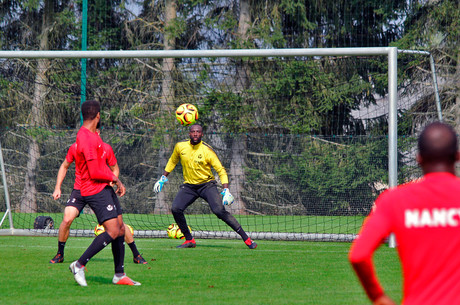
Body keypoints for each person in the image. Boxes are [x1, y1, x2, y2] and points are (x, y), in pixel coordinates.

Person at [349, 122, 460, 305]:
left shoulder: (394, 200)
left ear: (419, 158)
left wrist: (378, 297)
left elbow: (358, 255)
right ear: (457, 157)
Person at [69, 99, 140, 286]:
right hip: (93, 189)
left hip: (104, 188)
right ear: (98, 115)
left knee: (121, 228)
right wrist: (116, 178)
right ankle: (79, 265)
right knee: (113, 230)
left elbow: (102, 166)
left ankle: (119, 275)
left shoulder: (93, 136)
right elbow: (94, 172)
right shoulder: (85, 137)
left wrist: (115, 181)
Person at [154, 124, 257, 249]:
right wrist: (162, 178)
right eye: (193, 132)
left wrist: (226, 189)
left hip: (207, 185)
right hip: (189, 187)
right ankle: (189, 240)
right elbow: (172, 161)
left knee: (219, 211)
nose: (195, 134)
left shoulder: (207, 150)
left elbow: (221, 170)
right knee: (176, 208)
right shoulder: (180, 146)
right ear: (189, 134)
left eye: (198, 132)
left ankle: (246, 239)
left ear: (202, 134)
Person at [49, 135, 147, 265]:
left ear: (98, 134)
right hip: (80, 190)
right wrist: (57, 188)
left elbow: (115, 169)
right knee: (67, 219)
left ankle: (136, 255)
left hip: (100, 191)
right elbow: (64, 166)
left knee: (118, 224)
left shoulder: (106, 149)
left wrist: (112, 182)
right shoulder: (76, 148)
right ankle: (60, 254)